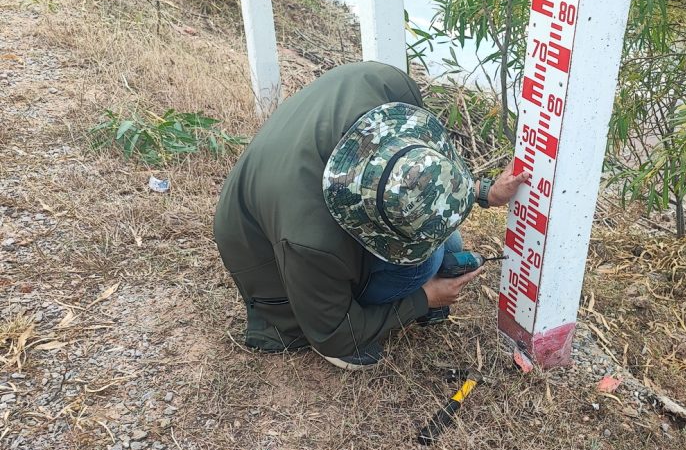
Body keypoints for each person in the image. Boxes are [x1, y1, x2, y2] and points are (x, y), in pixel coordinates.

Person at [213, 61, 528, 369]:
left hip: (285, 178)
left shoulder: (387, 87)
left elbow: (415, 172)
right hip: (265, 254)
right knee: (426, 264)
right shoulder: (312, 240)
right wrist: (424, 298)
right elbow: (334, 334)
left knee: (449, 242)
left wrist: (483, 191)